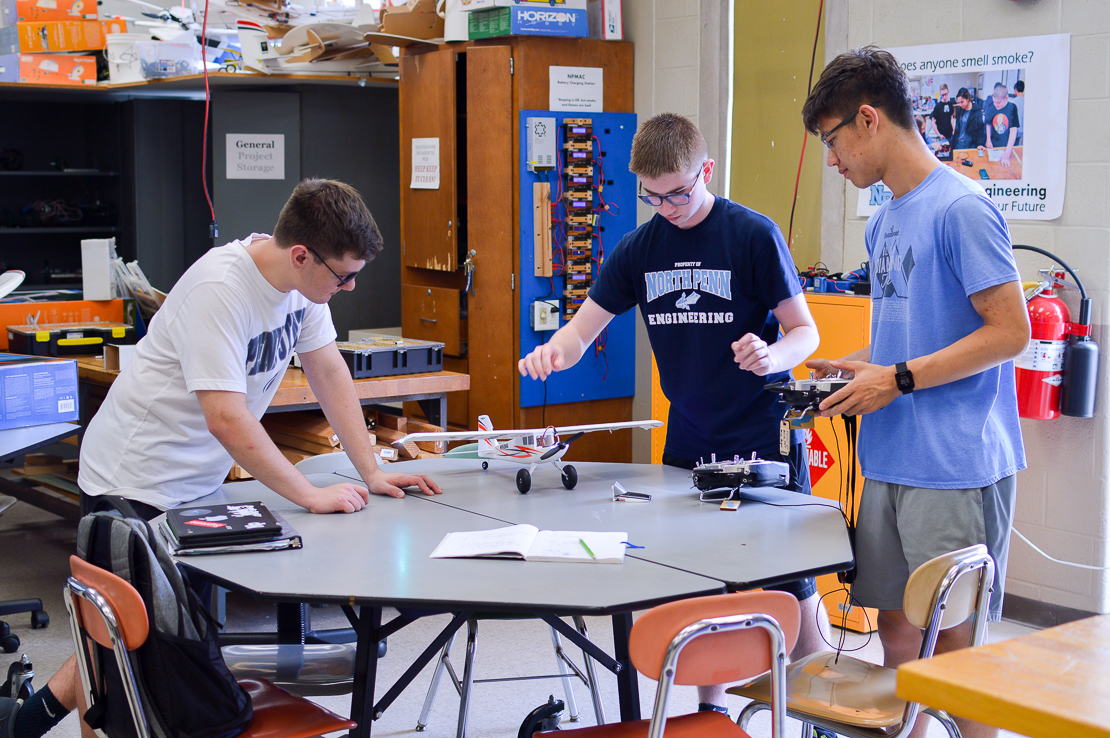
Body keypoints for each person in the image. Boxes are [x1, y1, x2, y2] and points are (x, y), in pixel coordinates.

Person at [0, 179, 444, 738]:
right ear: (301, 255)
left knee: (154, 638)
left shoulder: (304, 291)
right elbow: (227, 418)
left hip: (196, 485)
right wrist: (309, 495)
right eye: (344, 275)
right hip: (134, 476)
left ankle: (23, 721)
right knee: (126, 637)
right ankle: (28, 724)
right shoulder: (221, 289)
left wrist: (371, 470)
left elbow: (329, 370)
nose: (351, 286)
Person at [518, 113, 832, 720]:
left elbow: (805, 332)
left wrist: (772, 356)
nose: (667, 208)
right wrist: (552, 352)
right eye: (652, 196)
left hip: (760, 434)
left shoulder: (752, 235)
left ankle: (823, 715)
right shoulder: (640, 248)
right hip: (690, 438)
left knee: (791, 585)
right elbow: (581, 333)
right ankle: (711, 714)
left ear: (706, 171)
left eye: (678, 194)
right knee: (702, 584)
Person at [801, 46, 1029, 738]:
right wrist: (851, 370)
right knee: (898, 632)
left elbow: (1011, 332)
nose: (833, 161)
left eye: (832, 141)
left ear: (868, 120)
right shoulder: (884, 221)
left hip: (954, 466)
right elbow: (906, 336)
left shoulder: (962, 209)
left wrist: (896, 379)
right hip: (890, 460)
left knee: (955, 646)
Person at [983, 82, 1020, 167]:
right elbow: (988, 124)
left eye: (999, 102)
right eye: (994, 102)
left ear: (1006, 98)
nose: (996, 105)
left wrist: (1007, 153)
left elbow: (1013, 131)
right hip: (994, 144)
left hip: (1006, 145)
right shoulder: (992, 107)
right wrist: (988, 139)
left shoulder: (1012, 107)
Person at [1012, 79, 1025, 145]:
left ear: (1016, 89)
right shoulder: (1027, 102)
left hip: (1014, 131)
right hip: (1023, 131)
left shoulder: (1013, 102)